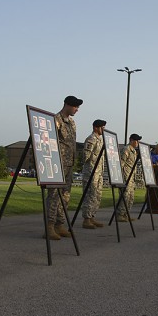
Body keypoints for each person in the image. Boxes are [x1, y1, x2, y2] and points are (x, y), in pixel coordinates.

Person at [45, 95, 83, 240]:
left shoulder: (72, 123)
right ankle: (49, 226)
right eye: (75, 106)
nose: (77, 110)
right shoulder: (56, 120)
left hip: (69, 164)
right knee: (53, 196)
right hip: (57, 164)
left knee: (65, 196)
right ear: (67, 105)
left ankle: (60, 224)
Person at [81, 119, 106, 229]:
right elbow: (85, 156)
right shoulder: (91, 139)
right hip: (91, 171)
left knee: (97, 195)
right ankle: (86, 219)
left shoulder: (100, 140)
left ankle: (92, 217)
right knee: (89, 195)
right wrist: (90, 165)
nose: (103, 129)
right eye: (102, 127)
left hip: (98, 172)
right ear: (96, 127)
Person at [116, 133, 142, 222]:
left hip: (131, 177)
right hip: (125, 176)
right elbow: (121, 163)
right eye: (135, 140)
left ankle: (126, 214)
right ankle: (120, 214)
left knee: (130, 197)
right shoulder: (126, 149)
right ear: (131, 140)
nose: (137, 142)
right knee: (125, 196)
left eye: (138, 141)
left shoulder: (134, 151)